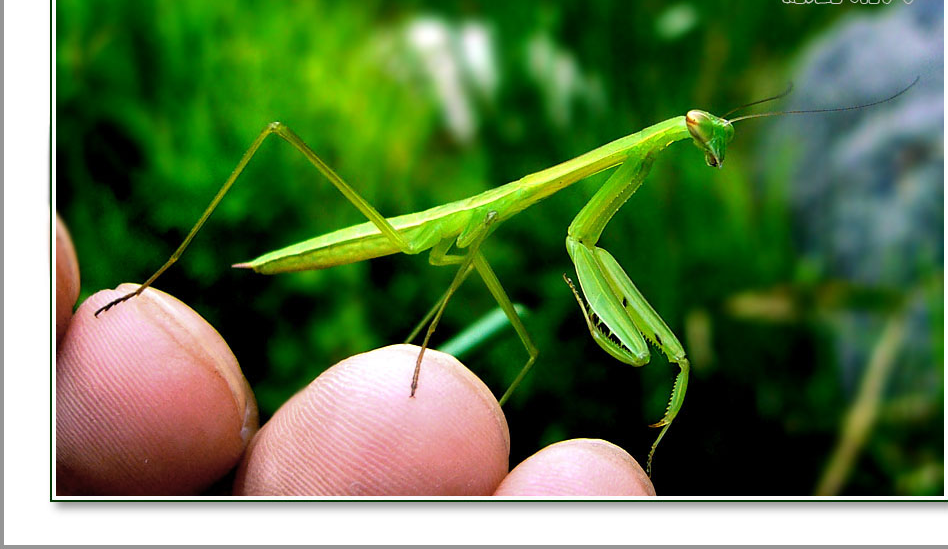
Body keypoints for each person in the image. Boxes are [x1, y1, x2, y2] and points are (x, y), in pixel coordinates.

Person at [54, 216, 654, 497]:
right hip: (384, 233)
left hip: (415, 248)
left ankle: (458, 405)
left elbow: (465, 260)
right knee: (278, 133)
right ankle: (159, 271)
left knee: (526, 347)